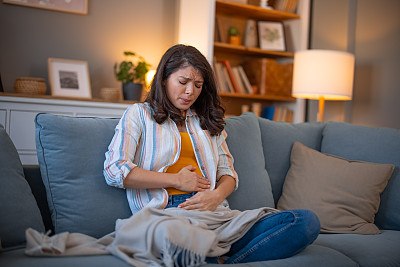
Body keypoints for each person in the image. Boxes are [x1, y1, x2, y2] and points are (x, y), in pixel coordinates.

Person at [104, 44, 320, 264]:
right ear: (163, 79)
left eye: (198, 85)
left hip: (215, 214)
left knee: (304, 221)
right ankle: (212, 254)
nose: (190, 91)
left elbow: (228, 174)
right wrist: (176, 179)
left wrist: (216, 196)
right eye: (183, 82)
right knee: (184, 246)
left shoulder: (207, 121)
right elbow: (114, 170)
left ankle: (220, 257)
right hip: (167, 217)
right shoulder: (139, 115)